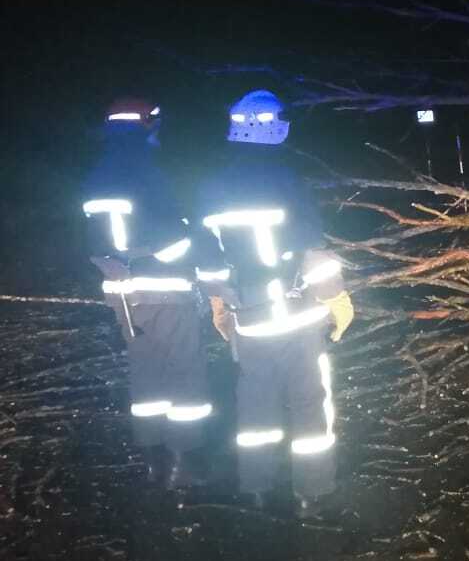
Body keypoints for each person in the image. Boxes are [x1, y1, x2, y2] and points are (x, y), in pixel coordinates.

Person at [195, 89, 353, 518]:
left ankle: (257, 488)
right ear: (273, 127)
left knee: (255, 403)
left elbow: (208, 261)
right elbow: (313, 252)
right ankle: (312, 493)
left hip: (249, 320)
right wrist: (337, 298)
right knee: (308, 402)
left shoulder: (212, 187)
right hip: (298, 316)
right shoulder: (288, 181)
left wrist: (220, 304)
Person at [82, 98, 212, 488]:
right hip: (166, 289)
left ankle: (152, 457)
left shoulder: (97, 173)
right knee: (185, 372)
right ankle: (184, 463)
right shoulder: (148, 172)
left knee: (145, 371)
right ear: (146, 126)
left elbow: (92, 241)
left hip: (123, 296)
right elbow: (168, 239)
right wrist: (196, 240)